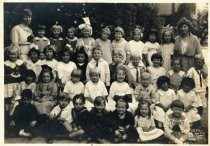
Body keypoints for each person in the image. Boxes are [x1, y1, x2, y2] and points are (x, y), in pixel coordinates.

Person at [4, 46, 27, 114]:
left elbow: (26, 74)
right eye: (11, 54)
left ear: (17, 54)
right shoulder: (5, 63)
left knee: (18, 101)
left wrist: (20, 75)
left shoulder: (21, 63)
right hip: (8, 86)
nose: (13, 56)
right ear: (8, 54)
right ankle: (9, 116)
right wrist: (10, 75)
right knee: (8, 102)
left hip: (18, 85)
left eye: (14, 54)